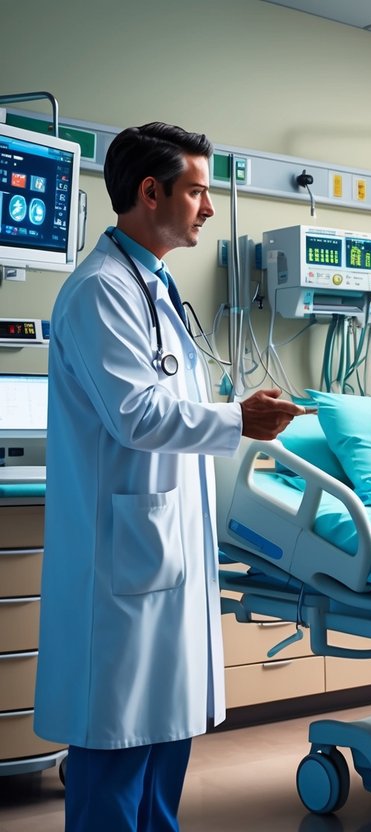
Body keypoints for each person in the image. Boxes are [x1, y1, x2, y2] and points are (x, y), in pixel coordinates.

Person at [34, 122, 307, 832]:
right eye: (196, 191)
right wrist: (236, 419)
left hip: (163, 544)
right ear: (149, 192)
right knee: (118, 745)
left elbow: (167, 405)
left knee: (164, 742)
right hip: (123, 558)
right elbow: (136, 414)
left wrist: (232, 417)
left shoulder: (150, 286)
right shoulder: (100, 291)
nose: (208, 209)